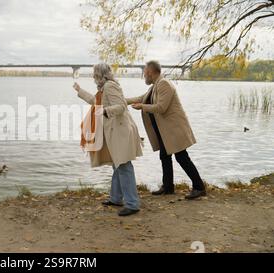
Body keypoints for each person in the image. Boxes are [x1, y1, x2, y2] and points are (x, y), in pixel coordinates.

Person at [128, 60, 206, 200]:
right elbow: (142, 98)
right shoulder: (155, 85)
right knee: (165, 156)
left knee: (182, 157)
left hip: (174, 129)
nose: (144, 75)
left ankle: (199, 187)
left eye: (145, 72)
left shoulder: (164, 84)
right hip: (166, 131)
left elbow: (161, 107)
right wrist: (124, 100)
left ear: (150, 72)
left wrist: (142, 107)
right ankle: (168, 187)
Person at [73, 63, 143, 216]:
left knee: (124, 166)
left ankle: (132, 204)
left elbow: (121, 106)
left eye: (94, 74)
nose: (93, 76)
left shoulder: (110, 86)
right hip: (116, 132)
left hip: (121, 131)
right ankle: (116, 198)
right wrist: (80, 91)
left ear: (100, 74)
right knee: (117, 166)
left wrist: (105, 111)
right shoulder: (104, 88)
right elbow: (96, 102)